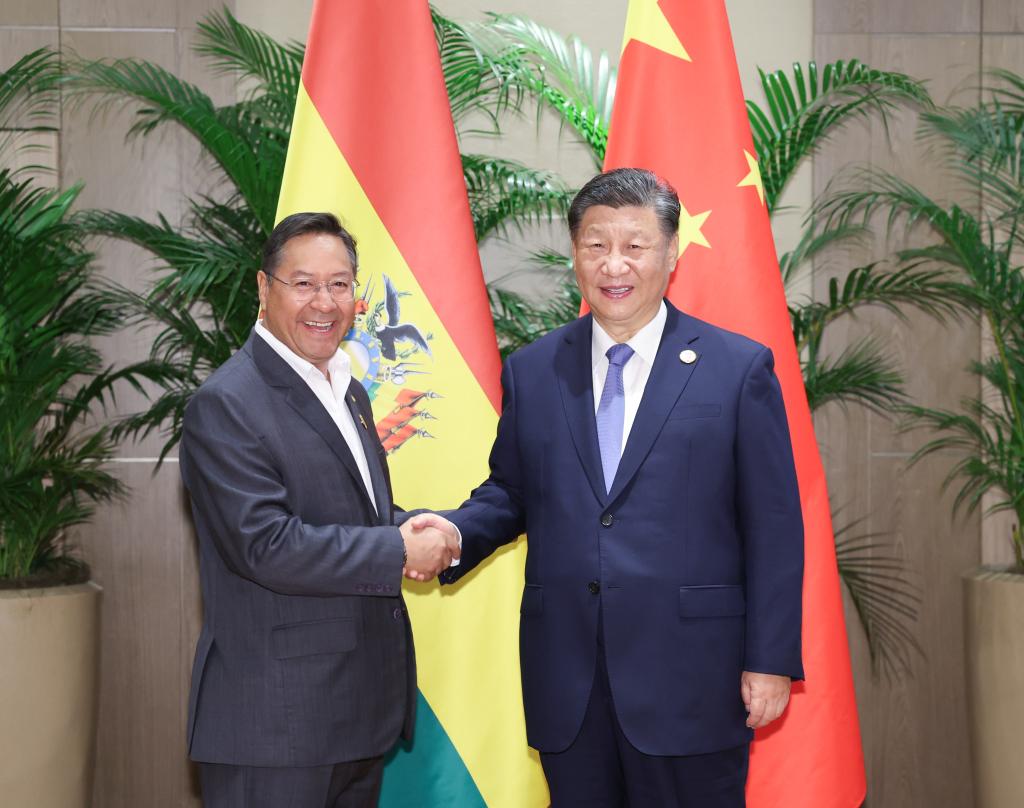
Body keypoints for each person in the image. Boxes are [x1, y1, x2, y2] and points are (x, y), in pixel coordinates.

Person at [425, 168, 804, 807]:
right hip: (570, 680)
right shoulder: (533, 369)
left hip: (693, 679)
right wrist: (456, 531)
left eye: (635, 245)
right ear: (575, 254)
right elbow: (513, 492)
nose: (614, 264)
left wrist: (769, 660)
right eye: (596, 245)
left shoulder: (738, 370)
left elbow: (773, 527)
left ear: (672, 253)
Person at [179, 212, 459, 808]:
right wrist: (399, 549)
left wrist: (426, 526)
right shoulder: (227, 403)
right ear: (263, 289)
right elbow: (265, 544)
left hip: (354, 716)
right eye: (303, 283)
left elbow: (353, 510)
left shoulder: (345, 387)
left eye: (339, 284)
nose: (324, 302)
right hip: (275, 725)